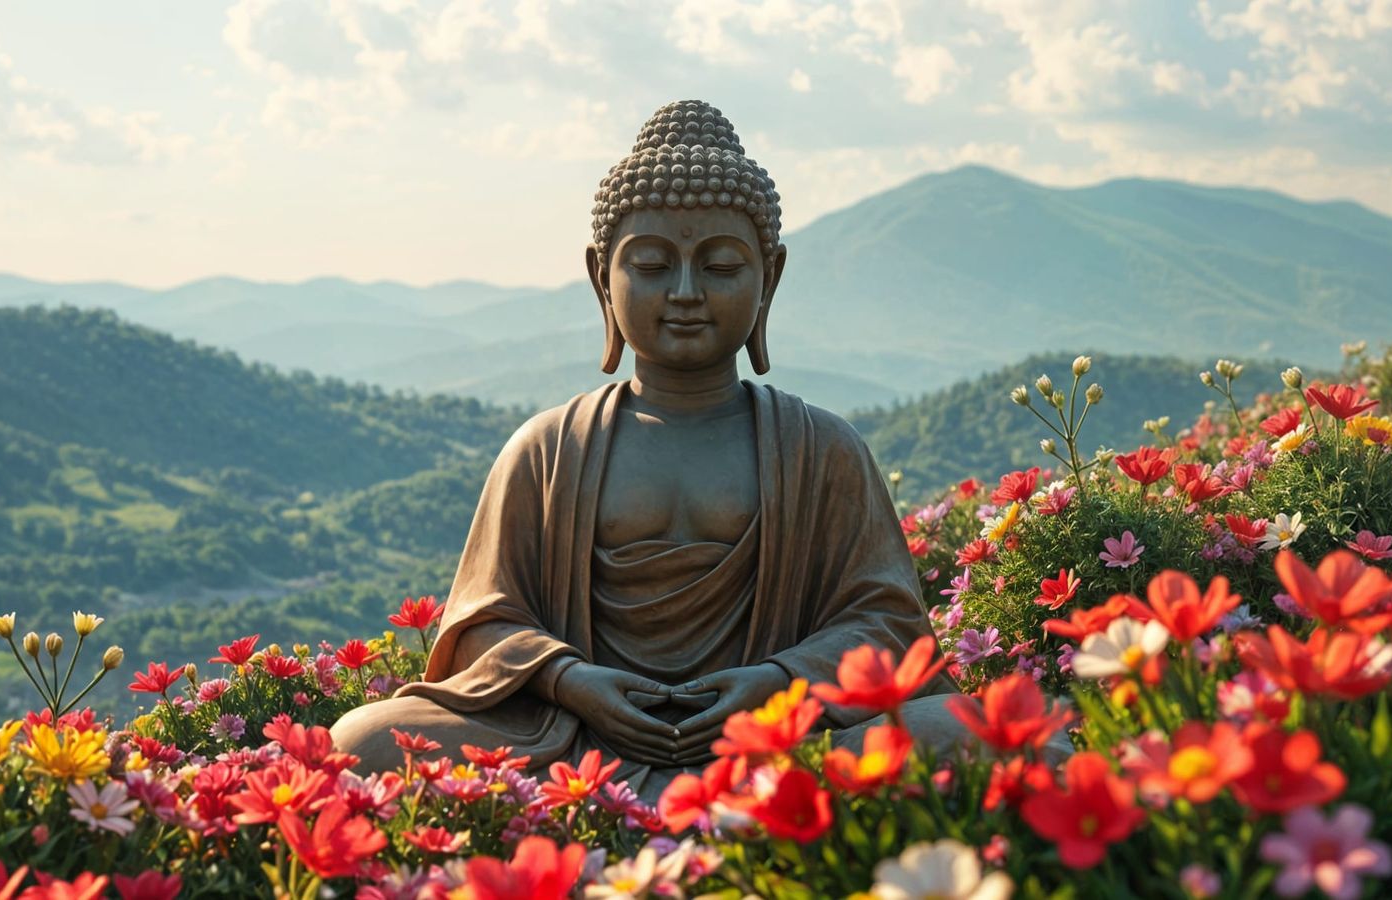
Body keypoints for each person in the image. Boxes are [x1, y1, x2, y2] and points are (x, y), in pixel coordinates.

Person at [330, 100, 966, 800]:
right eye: (655, 265)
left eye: (721, 266)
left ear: (770, 279)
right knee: (358, 741)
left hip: (774, 739)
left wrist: (778, 681)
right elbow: (484, 623)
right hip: (579, 741)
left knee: (1003, 737)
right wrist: (569, 681)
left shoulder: (822, 450)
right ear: (603, 276)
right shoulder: (545, 450)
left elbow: (887, 625)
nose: (687, 293)